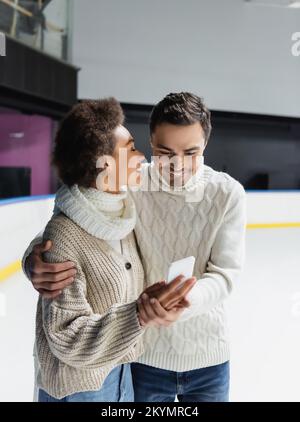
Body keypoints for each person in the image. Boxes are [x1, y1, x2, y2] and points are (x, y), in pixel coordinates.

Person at [24, 92, 247, 402]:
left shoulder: (227, 194)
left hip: (206, 355)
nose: (177, 166)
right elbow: (78, 209)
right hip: (143, 356)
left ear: (206, 144)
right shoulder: (130, 179)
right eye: (164, 152)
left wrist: (182, 301)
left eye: (191, 152)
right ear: (151, 142)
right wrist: (35, 256)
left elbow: (225, 274)